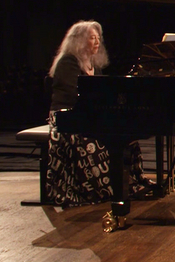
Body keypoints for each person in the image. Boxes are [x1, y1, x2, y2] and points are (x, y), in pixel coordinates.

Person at [46, 20, 153, 206]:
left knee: (126, 137)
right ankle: (101, 189)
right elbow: (74, 95)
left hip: (88, 115)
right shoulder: (68, 62)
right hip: (66, 117)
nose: (97, 42)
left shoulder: (95, 66)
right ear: (79, 41)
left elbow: (102, 95)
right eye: (91, 38)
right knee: (93, 141)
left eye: (98, 38)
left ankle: (127, 183)